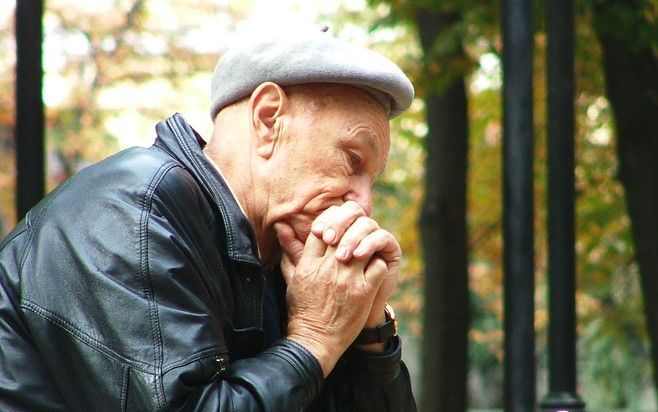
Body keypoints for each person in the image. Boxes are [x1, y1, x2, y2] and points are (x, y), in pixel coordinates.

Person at [0, 29, 416, 411]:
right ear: (269, 119)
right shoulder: (133, 212)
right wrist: (313, 339)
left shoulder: (289, 262)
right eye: (352, 159)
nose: (363, 205)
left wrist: (368, 331)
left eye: (372, 180)